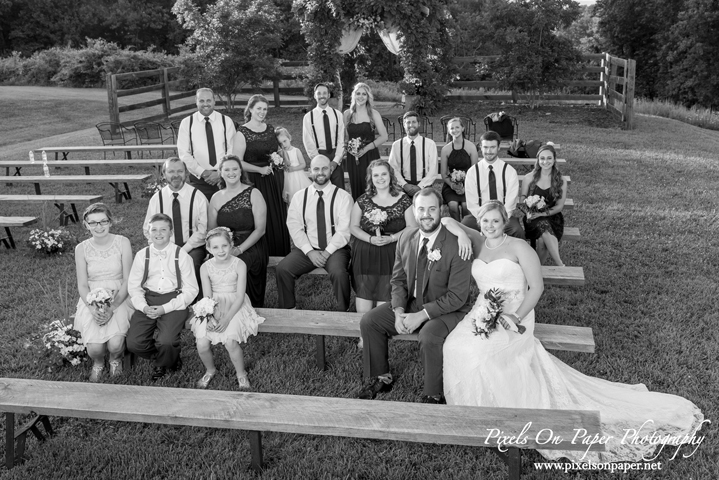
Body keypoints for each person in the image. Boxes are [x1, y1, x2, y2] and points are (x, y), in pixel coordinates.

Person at [443, 201, 705, 463]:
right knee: (454, 346)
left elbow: (536, 288)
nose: (490, 226)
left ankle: (504, 421)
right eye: (485, 221)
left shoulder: (519, 247)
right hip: (482, 311)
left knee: (484, 357)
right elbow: (446, 220)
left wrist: (516, 316)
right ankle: (475, 414)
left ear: (505, 222)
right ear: (479, 223)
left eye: (495, 221)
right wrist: (460, 232)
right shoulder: (478, 240)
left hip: (516, 314)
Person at [358, 189, 472, 404]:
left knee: (429, 335)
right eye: (421, 209)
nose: (426, 214)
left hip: (449, 309)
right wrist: (399, 311)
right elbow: (398, 280)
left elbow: (458, 296)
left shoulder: (457, 244)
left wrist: (422, 315)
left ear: (441, 210)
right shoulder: (406, 237)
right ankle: (380, 376)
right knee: (370, 321)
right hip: (413, 302)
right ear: (413, 211)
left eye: (432, 209)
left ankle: (433, 394)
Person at [126, 213, 199, 381]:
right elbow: (134, 287)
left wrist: (165, 308)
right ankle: (166, 358)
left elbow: (191, 290)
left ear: (171, 232)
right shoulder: (141, 255)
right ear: (148, 232)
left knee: (167, 341)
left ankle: (163, 363)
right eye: (154, 230)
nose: (158, 233)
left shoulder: (182, 255)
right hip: (148, 299)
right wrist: (143, 307)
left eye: (163, 229)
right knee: (134, 343)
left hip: (174, 300)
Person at [190, 227, 265, 390]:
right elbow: (207, 296)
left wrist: (226, 318)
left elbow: (239, 296)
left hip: (235, 304)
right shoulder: (205, 267)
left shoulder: (239, 264)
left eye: (224, 245)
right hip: (212, 304)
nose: (221, 250)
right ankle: (210, 370)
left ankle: (241, 373)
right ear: (208, 249)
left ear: (231, 245)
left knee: (230, 341)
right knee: (202, 343)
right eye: (215, 247)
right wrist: (210, 317)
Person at [277, 155, 353, 311]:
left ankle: (343, 311)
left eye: (324, 168)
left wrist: (326, 253)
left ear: (331, 169)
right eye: (316, 169)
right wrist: (309, 251)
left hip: (335, 250)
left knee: (339, 273)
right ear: (310, 171)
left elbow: (344, 230)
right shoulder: (299, 197)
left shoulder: (343, 197)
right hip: (308, 250)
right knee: (282, 269)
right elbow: (294, 226)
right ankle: (289, 309)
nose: (320, 172)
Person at [73, 203, 133, 382]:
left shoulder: (122, 242)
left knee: (115, 345)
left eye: (103, 221)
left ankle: (115, 359)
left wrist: (113, 307)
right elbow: (82, 285)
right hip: (92, 297)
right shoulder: (81, 248)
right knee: (95, 349)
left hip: (119, 295)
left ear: (110, 222)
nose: (98, 227)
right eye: (93, 223)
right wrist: (92, 308)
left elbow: (128, 280)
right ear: (86, 225)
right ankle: (98, 362)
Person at [350, 160, 416, 314]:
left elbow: (412, 227)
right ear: (371, 178)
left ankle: (378, 328)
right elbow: (353, 227)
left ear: (390, 176)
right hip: (367, 250)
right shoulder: (363, 200)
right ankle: (363, 334)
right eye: (376, 175)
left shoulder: (404, 199)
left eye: (384, 174)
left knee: (386, 288)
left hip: (393, 250)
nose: (380, 178)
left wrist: (392, 238)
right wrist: (370, 239)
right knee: (365, 289)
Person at [233, 94, 291, 256]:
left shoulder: (270, 129)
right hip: (255, 181)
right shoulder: (242, 132)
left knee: (276, 214)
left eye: (265, 109)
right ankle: (261, 253)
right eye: (259, 108)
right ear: (250, 109)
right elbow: (237, 162)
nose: (262, 112)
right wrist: (259, 170)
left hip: (274, 179)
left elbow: (279, 151)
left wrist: (279, 160)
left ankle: (280, 252)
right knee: (260, 216)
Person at [208, 155, 269, 308]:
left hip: (251, 244)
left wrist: (239, 249)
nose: (231, 173)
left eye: (235, 169)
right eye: (227, 169)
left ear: (241, 172)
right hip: (225, 244)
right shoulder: (215, 198)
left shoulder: (254, 193)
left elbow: (260, 230)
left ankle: (246, 307)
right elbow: (212, 231)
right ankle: (219, 307)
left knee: (236, 265)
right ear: (221, 173)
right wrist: (221, 248)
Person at [143, 157, 208, 291]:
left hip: (192, 247)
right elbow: (148, 229)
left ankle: (192, 302)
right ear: (164, 174)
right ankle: (164, 299)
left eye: (180, 171)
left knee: (191, 264)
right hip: (164, 246)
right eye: (171, 171)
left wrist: (183, 250)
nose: (176, 175)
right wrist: (159, 248)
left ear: (186, 173)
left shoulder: (198, 197)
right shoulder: (157, 199)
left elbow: (203, 230)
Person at [462, 130, 525, 239]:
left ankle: (515, 255)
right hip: (479, 216)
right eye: (485, 147)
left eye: (492, 147)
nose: (489, 151)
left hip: (504, 216)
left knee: (517, 231)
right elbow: (472, 203)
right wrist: (485, 221)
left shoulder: (509, 171)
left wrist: (498, 220)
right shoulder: (473, 172)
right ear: (481, 147)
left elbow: (510, 203)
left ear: (499, 147)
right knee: (463, 229)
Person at [177, 88, 236, 200]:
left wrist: (220, 173)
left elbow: (232, 150)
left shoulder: (226, 121)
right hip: (199, 180)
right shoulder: (187, 123)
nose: (205, 104)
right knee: (201, 214)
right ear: (196, 101)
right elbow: (184, 154)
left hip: (225, 177)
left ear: (214, 101)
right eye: (202, 101)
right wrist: (203, 172)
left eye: (208, 100)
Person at [520, 144, 566, 266]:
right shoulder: (529, 178)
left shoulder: (560, 180)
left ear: (554, 159)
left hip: (552, 216)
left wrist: (543, 213)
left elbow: (559, 206)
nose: (545, 162)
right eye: (542, 158)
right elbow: (522, 201)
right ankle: (560, 264)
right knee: (543, 229)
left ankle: (538, 268)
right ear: (538, 160)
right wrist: (529, 212)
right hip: (532, 217)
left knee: (542, 239)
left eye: (549, 158)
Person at [343, 82, 388, 201]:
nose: (361, 96)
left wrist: (366, 148)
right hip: (353, 158)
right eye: (358, 93)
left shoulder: (373, 114)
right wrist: (349, 148)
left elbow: (384, 136)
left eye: (364, 94)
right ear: (354, 95)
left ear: (368, 97)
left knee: (371, 186)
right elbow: (345, 138)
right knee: (356, 185)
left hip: (370, 156)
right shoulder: (347, 114)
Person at [302, 83, 346, 190]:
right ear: (314, 95)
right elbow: (308, 141)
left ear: (329, 95)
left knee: (338, 191)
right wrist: (318, 160)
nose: (322, 96)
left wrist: (336, 161)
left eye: (325, 93)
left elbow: (341, 139)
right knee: (321, 191)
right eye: (319, 93)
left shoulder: (338, 115)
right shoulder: (309, 117)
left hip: (335, 156)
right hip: (319, 155)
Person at [388, 111, 438, 198]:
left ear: (419, 124)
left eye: (414, 122)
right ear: (404, 125)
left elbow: (433, 170)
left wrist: (420, 186)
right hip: (402, 186)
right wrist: (404, 185)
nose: (411, 125)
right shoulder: (396, 145)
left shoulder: (430, 144)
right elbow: (393, 168)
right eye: (408, 122)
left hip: (424, 186)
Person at [440, 117, 478, 221]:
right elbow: (443, 173)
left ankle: (466, 229)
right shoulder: (445, 149)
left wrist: (465, 187)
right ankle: (456, 229)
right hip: (451, 185)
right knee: (453, 206)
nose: (455, 130)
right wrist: (453, 185)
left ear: (462, 128)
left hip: (469, 184)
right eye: (452, 128)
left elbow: (475, 171)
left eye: (457, 127)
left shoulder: (471, 147)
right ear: (448, 131)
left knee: (466, 206)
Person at [276, 126, 311, 203]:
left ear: (289, 138)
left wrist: (293, 169)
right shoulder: (281, 153)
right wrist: (284, 153)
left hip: (298, 177)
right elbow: (286, 164)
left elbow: (303, 164)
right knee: (290, 197)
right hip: (288, 179)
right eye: (280, 143)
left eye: (285, 141)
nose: (283, 145)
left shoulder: (296, 151)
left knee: (301, 196)